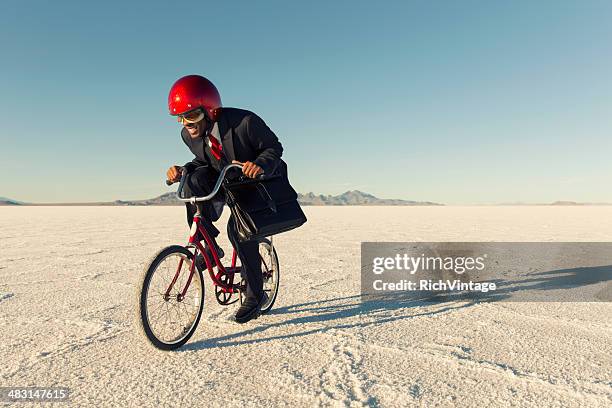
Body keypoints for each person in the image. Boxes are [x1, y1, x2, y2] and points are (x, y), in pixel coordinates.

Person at [166, 74, 285, 324]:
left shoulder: (245, 122)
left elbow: (274, 148)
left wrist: (259, 164)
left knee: (239, 230)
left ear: (209, 109)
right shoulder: (189, 135)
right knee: (193, 181)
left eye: (191, 116)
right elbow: (205, 162)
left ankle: (255, 296)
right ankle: (209, 245)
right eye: (180, 118)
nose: (185, 123)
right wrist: (183, 169)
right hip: (226, 180)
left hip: (255, 183)